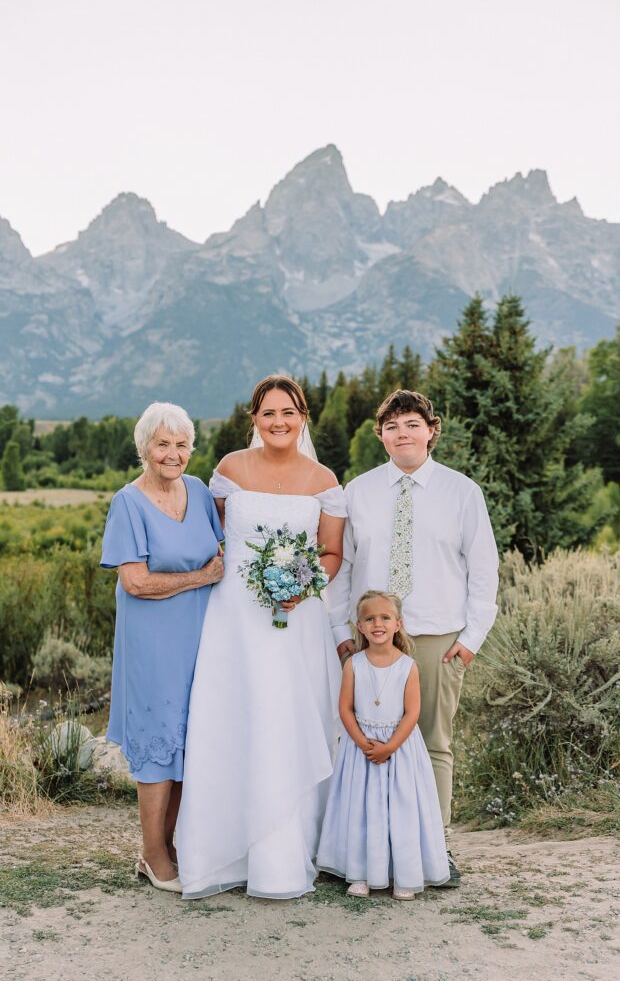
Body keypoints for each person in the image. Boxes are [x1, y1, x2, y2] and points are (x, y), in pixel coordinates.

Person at [176, 375, 346, 900]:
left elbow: (330, 555)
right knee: (233, 718)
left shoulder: (324, 479)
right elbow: (215, 537)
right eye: (268, 412)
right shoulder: (228, 471)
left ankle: (286, 854)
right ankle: (224, 853)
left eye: (288, 412)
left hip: (297, 621)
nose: (279, 422)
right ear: (254, 418)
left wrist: (299, 584)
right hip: (235, 618)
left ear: (303, 418)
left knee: (288, 718)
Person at [326, 390, 498, 885]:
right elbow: (343, 569)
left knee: (430, 745)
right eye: (392, 425)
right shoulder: (356, 492)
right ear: (379, 434)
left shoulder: (462, 492)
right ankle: (366, 852)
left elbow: (484, 570)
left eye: (412, 424)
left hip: (437, 637)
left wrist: (469, 642)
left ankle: (433, 850)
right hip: (369, 640)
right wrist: (343, 634)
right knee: (363, 742)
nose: (402, 432)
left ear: (431, 430)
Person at [100, 402, 224, 893]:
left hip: (202, 635)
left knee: (189, 740)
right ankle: (153, 854)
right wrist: (201, 577)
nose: (173, 454)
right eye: (162, 444)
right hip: (152, 640)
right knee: (158, 741)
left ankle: (171, 846)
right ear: (145, 448)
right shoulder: (127, 503)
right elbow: (136, 582)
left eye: (181, 445)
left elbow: (224, 550)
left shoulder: (198, 491)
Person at [317, 590, 449, 898]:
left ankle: (403, 875)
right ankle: (360, 872)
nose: (378, 623)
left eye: (385, 618)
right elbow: (345, 708)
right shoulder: (354, 664)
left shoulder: (408, 666)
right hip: (361, 749)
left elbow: (413, 712)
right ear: (360, 626)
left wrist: (389, 747)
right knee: (362, 809)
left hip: (399, 750)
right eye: (369, 618)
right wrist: (363, 743)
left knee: (400, 810)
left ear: (398, 624)